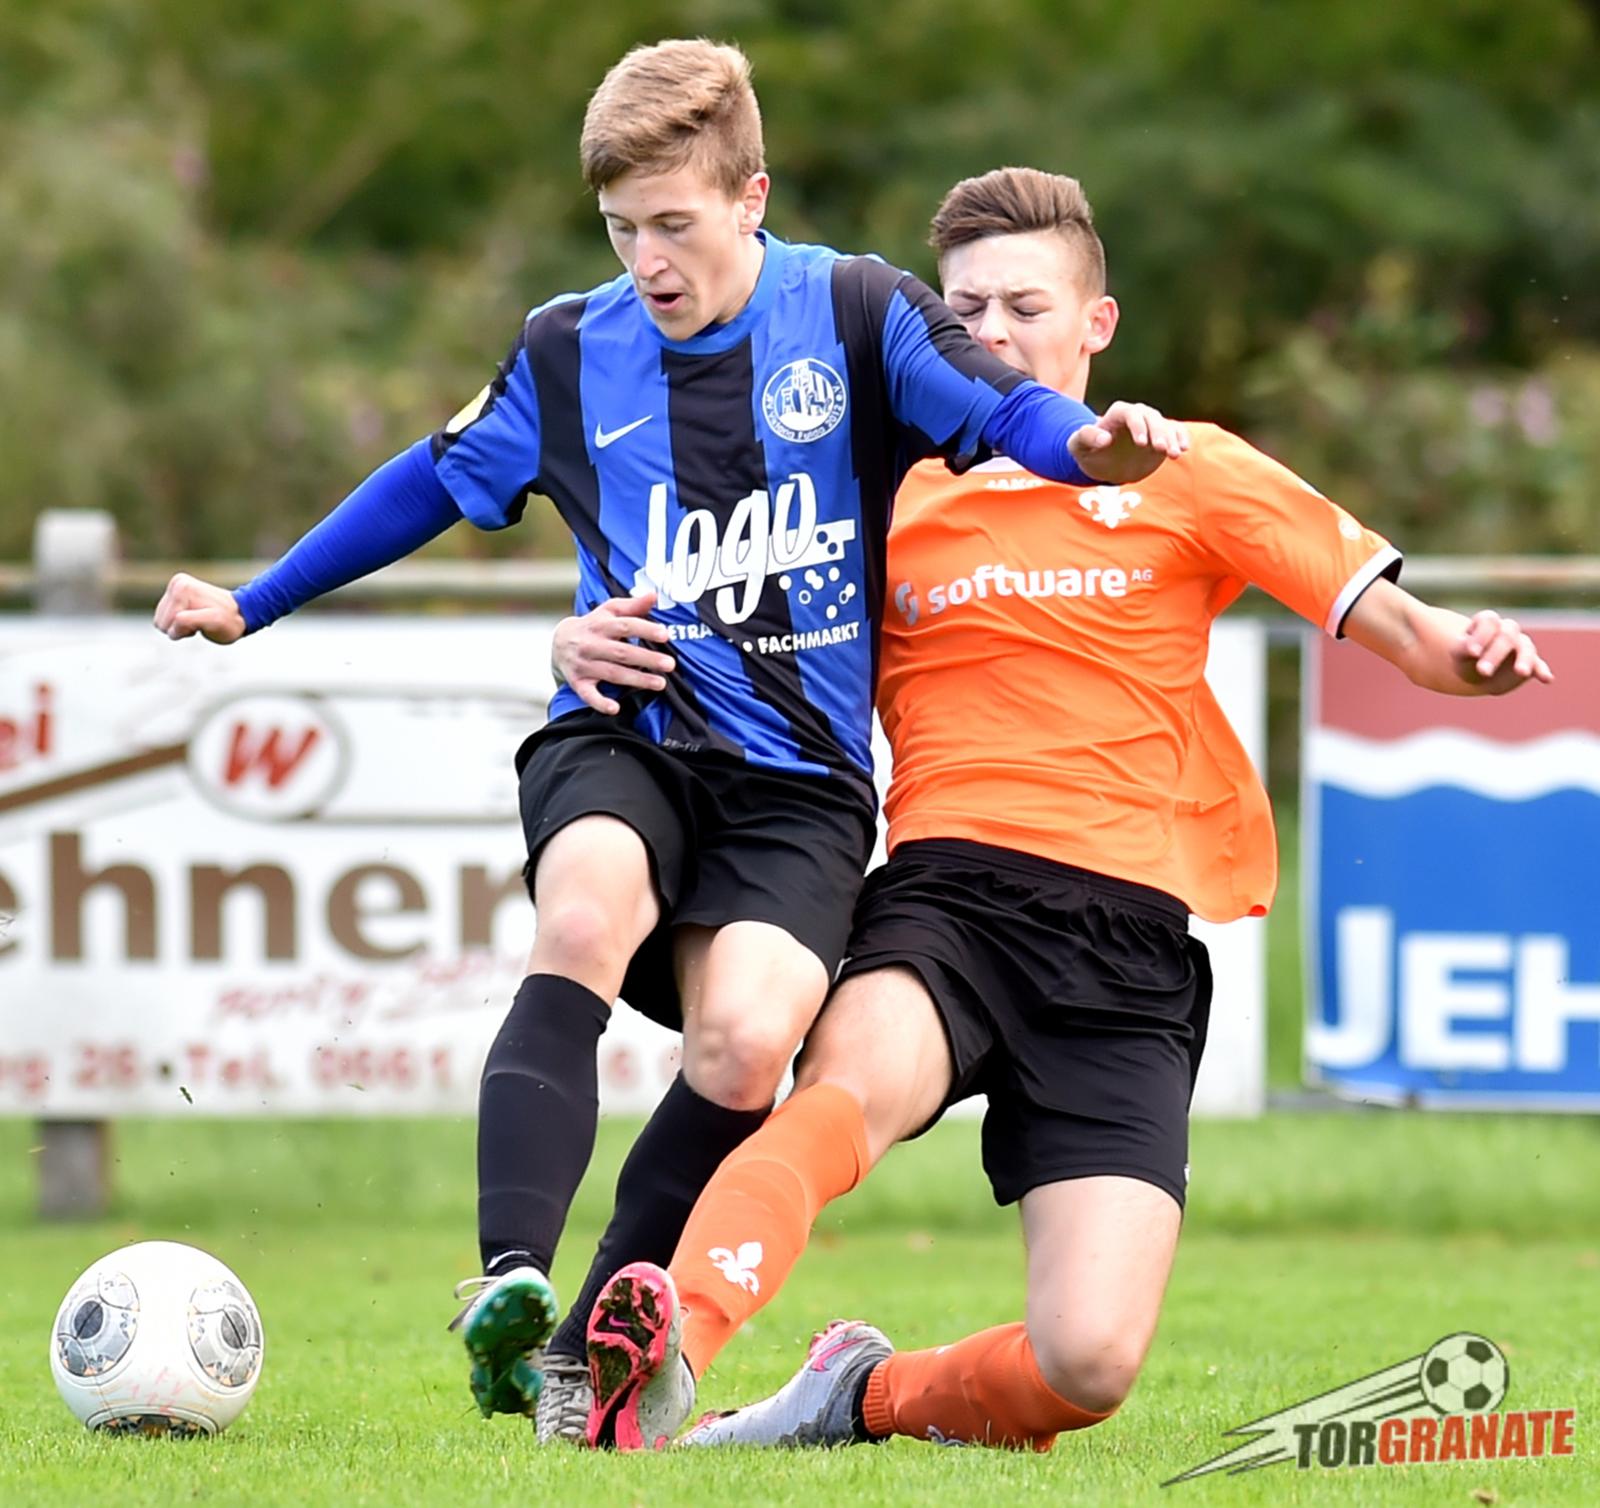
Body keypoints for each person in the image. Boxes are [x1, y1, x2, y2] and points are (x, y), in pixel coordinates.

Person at [151, 46, 1185, 1443]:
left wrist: (1089, 452)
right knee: (583, 909)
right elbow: (433, 480)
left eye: (675, 224)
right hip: (626, 729)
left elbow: (1004, 408)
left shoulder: (859, 311)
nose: (647, 260)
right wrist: (254, 600)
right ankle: (507, 1278)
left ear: (750, 198)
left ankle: (577, 1349)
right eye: (620, 227)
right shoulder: (567, 348)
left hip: (800, 789)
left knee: (749, 1046)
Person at [555, 165, 1555, 1452]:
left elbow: (1411, 635)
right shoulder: (876, 486)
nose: (992, 334)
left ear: (1097, 322)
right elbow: (688, 592)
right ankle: (666, 1352)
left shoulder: (1194, 468)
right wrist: (577, 638)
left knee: (1084, 1365)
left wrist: (1470, 652)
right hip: (947, 893)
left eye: (1025, 307)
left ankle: (854, 1393)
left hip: (1127, 940)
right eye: (964, 311)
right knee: (843, 1091)